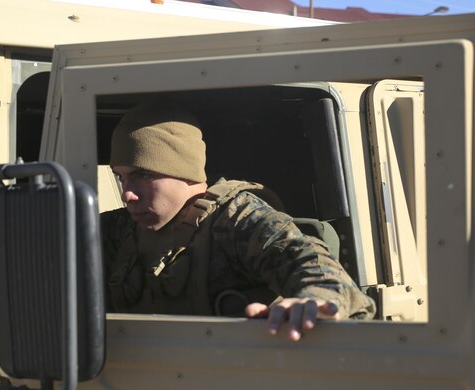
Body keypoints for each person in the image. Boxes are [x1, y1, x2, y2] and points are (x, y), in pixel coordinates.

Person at [100, 98, 375, 341]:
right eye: (121, 176)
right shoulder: (121, 229)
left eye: (142, 175)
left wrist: (314, 300)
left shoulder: (237, 218)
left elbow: (315, 267)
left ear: (185, 172)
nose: (127, 194)